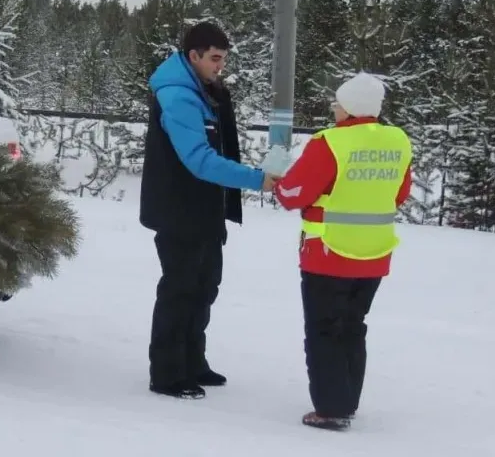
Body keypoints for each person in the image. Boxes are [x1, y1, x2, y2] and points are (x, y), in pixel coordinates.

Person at [139, 21, 279, 400]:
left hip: (202, 211)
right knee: (180, 290)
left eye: (224, 59)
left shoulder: (203, 92)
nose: (220, 66)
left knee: (204, 288)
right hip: (179, 212)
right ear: (194, 55)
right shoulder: (179, 97)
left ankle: (193, 362)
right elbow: (199, 160)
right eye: (215, 59)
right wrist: (257, 180)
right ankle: (168, 373)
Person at [271, 72, 413, 431]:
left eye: (337, 104)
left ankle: (331, 409)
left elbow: (293, 194)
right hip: (376, 254)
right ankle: (346, 400)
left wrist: (280, 184)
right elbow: (399, 193)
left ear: (348, 109)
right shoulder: (397, 141)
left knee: (324, 331)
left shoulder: (330, 143)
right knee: (353, 327)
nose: (334, 109)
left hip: (328, 254)